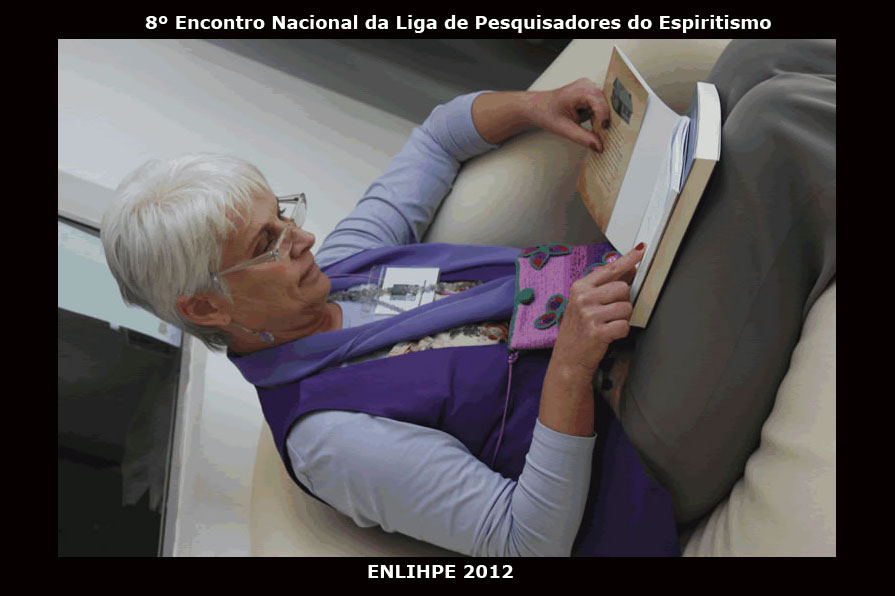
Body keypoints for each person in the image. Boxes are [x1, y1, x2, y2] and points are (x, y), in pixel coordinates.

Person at [100, 39, 836, 556]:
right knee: (777, 122)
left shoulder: (346, 269)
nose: (302, 237)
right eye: (267, 243)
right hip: (635, 440)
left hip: (626, 313)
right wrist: (571, 366)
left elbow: (436, 138)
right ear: (207, 308)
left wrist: (535, 105)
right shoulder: (327, 439)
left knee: (761, 57)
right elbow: (525, 540)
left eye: (283, 213)